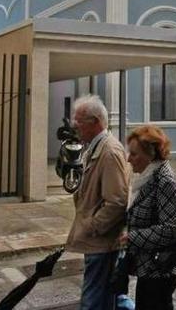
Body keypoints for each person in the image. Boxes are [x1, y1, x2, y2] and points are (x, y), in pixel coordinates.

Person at [65, 94, 130, 309]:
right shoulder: (96, 147)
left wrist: (93, 226)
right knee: (106, 296)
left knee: (93, 298)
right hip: (97, 239)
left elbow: (117, 201)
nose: (76, 127)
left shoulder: (109, 152)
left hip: (101, 241)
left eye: (79, 122)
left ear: (96, 122)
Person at [121, 125, 176, 310]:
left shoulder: (165, 181)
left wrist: (131, 238)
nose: (128, 159)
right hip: (150, 267)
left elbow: (174, 227)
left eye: (134, 154)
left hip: (161, 269)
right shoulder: (147, 178)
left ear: (150, 155)